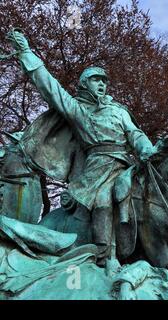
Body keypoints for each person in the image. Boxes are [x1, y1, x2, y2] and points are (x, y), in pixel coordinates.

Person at [6, 30, 156, 266]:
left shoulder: (119, 110)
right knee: (103, 200)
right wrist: (25, 53)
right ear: (85, 84)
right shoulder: (78, 110)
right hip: (97, 168)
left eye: (104, 81)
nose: (102, 84)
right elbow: (50, 87)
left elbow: (134, 133)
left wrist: (147, 149)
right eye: (97, 80)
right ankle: (104, 255)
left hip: (127, 164)